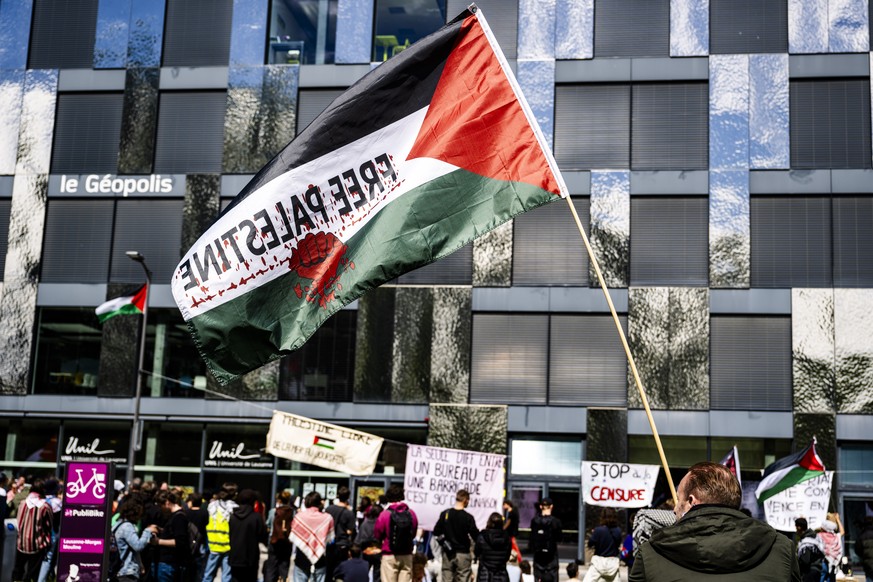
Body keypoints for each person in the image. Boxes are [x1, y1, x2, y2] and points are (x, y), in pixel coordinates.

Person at [628, 461, 801, 581]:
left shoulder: (651, 553)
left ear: (690, 501)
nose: (674, 509)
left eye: (678, 501)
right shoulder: (781, 548)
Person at [374, 484, 418, 582]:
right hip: (406, 554)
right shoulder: (411, 513)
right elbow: (413, 533)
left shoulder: (385, 514)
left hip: (389, 554)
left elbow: (377, 533)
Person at [12, 478, 53, 582]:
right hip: (37, 545)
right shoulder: (45, 506)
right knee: (32, 574)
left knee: (18, 571)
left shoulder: (22, 503)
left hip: (21, 543)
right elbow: (49, 525)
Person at [434, 489, 479, 582]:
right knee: (463, 577)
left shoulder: (446, 514)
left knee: (447, 577)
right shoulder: (468, 517)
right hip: (463, 553)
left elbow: (436, 531)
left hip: (448, 553)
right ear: (465, 500)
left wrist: (445, 543)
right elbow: (475, 535)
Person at [290, 491, 335, 582]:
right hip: (320, 558)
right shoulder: (327, 518)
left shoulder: (299, 517)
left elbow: (294, 537)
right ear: (320, 502)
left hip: (301, 558)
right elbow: (330, 539)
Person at [114, 497, 159, 581]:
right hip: (126, 572)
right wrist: (148, 530)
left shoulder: (118, 524)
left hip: (120, 570)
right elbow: (138, 546)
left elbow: (131, 548)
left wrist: (140, 564)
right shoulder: (127, 526)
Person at [229, 489, 268, 582]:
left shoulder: (233, 516)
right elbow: (262, 536)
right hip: (250, 557)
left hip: (234, 556)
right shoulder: (256, 517)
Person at [154, 489, 193, 581]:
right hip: (170, 563)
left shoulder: (179, 517)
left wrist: (158, 541)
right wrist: (161, 530)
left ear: (167, 502)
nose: (160, 508)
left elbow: (179, 541)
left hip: (170, 563)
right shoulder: (176, 515)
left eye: (161, 505)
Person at [203, 482, 239, 582]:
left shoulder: (212, 505)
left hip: (213, 544)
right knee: (226, 577)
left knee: (208, 575)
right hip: (228, 545)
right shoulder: (234, 508)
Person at [326, 486, 357, 579]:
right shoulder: (349, 513)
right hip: (342, 544)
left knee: (328, 570)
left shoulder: (329, 509)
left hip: (329, 543)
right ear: (348, 497)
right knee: (340, 571)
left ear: (338, 495)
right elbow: (350, 531)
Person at [583, 508, 622, 582]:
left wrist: (594, 535)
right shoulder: (618, 531)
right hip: (613, 563)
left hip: (598, 563)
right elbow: (618, 544)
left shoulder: (598, 530)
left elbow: (590, 544)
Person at [264, 490, 295, 582]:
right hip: (286, 541)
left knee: (271, 567)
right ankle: (283, 579)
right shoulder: (292, 512)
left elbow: (268, 525)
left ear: (279, 500)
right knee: (284, 566)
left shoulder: (273, 511)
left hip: (274, 540)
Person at [529, 497, 562, 582]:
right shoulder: (556, 521)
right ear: (551, 506)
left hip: (538, 557)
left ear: (541, 506)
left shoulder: (534, 521)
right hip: (551, 557)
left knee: (538, 578)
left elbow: (531, 537)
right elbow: (559, 538)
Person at [474, 512, 511, 582]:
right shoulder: (506, 537)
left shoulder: (482, 536)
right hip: (501, 574)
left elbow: (477, 552)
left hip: (485, 575)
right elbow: (507, 556)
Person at [187, 491, 210, 582]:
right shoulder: (205, 513)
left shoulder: (186, 512)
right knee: (200, 568)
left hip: (189, 542)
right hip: (201, 542)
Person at [816, 514, 843, 582]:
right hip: (833, 563)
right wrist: (838, 520)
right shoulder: (836, 537)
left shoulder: (819, 536)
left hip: (823, 562)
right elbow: (842, 532)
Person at [856, 516, 873, 582]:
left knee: (869, 578)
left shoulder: (862, 535)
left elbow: (857, 549)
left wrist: (864, 556)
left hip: (867, 563)